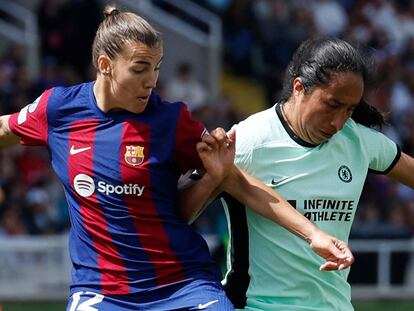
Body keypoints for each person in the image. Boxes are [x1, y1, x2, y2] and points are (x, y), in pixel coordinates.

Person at [0, 6, 352, 310]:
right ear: (105, 64)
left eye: (157, 67)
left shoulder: (171, 121)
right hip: (102, 291)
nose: (152, 80)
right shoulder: (60, 109)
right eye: (140, 68)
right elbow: (5, 129)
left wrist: (312, 234)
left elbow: (237, 179)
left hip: (181, 284)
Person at [205, 37, 414, 310]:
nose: (339, 122)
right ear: (299, 87)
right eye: (332, 104)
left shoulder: (359, 142)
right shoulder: (247, 141)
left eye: (349, 110)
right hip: (258, 306)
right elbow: (182, 210)